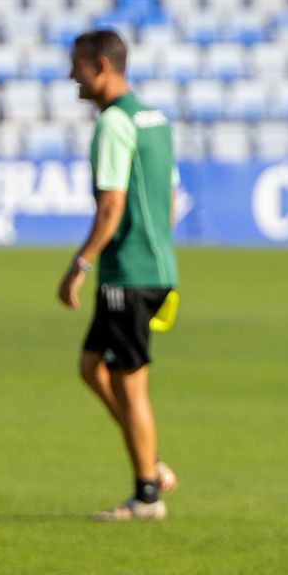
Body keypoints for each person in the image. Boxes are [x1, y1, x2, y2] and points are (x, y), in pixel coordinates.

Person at [57, 29, 180, 521]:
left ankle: (147, 494)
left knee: (131, 385)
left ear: (100, 66)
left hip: (127, 276)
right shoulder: (156, 120)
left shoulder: (113, 123)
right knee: (92, 366)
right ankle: (148, 459)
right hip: (153, 268)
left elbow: (111, 205)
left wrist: (80, 262)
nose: (72, 76)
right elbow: (169, 197)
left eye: (77, 66)